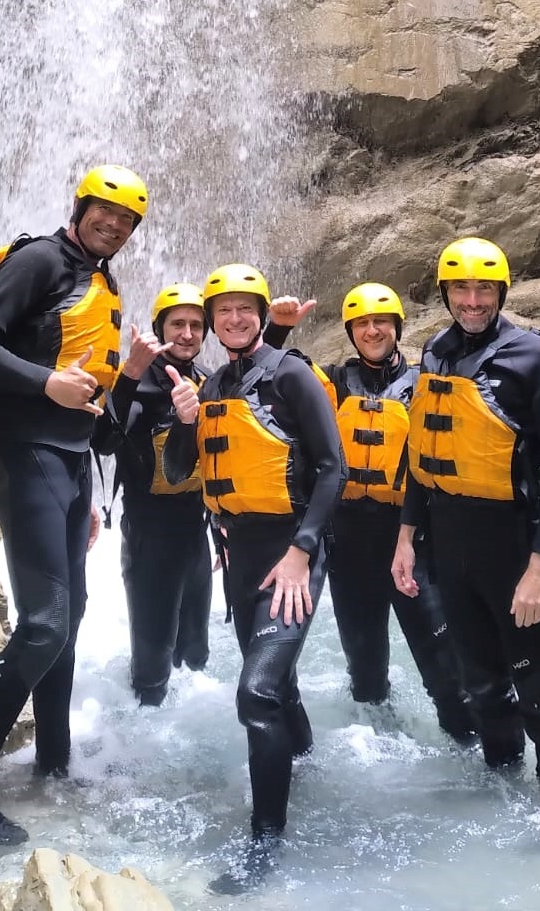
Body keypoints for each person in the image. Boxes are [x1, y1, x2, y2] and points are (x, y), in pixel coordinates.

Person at [0, 163, 158, 847]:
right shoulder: (40, 259)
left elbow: (92, 413)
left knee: (69, 618)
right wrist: (44, 384)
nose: (113, 225)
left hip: (67, 467)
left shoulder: (103, 282)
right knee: (42, 625)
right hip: (24, 454)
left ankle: (54, 764)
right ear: (81, 207)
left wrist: (86, 483)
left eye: (125, 220)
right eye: (104, 212)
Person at [163, 263, 345, 892]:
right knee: (276, 683)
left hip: (293, 550)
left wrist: (301, 550)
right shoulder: (212, 384)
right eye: (224, 311)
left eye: (246, 309)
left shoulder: (291, 374)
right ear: (213, 322)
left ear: (263, 315)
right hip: (241, 552)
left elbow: (333, 468)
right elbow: (181, 469)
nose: (235, 319)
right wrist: (184, 419)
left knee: (257, 693)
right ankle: (304, 762)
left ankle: (265, 841)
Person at [392, 236, 540, 796]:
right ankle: (502, 788)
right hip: (450, 548)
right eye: (460, 289)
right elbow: (420, 456)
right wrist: (405, 538)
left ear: (501, 292)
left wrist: (539, 567)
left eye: (483, 289)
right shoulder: (434, 352)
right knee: (482, 685)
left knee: (539, 692)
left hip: (512, 548)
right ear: (445, 292)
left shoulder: (535, 357)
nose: (472, 301)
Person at [263, 283, 474, 742]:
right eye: (362, 324)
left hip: (413, 545)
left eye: (381, 322)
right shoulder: (333, 382)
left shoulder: (424, 383)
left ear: (397, 328)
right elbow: (270, 375)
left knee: (447, 674)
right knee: (366, 675)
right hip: (349, 547)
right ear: (351, 332)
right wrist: (277, 329)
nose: (372, 331)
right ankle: (379, 750)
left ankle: (468, 751)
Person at [95, 282, 213, 706]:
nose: (187, 333)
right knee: (152, 672)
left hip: (196, 534)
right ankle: (140, 729)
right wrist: (129, 373)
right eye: (177, 324)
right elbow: (103, 441)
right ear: (159, 328)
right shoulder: (137, 383)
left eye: (196, 325)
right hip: (149, 537)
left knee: (196, 657)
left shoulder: (206, 381)